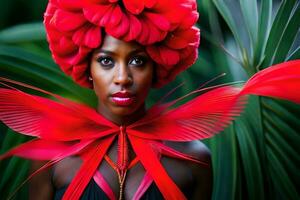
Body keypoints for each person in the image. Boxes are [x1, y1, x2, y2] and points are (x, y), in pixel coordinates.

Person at [0, 0, 300, 200]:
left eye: (138, 61)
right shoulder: (51, 159)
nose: (122, 77)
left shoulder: (195, 159)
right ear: (86, 67)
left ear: (158, 64)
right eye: (106, 61)